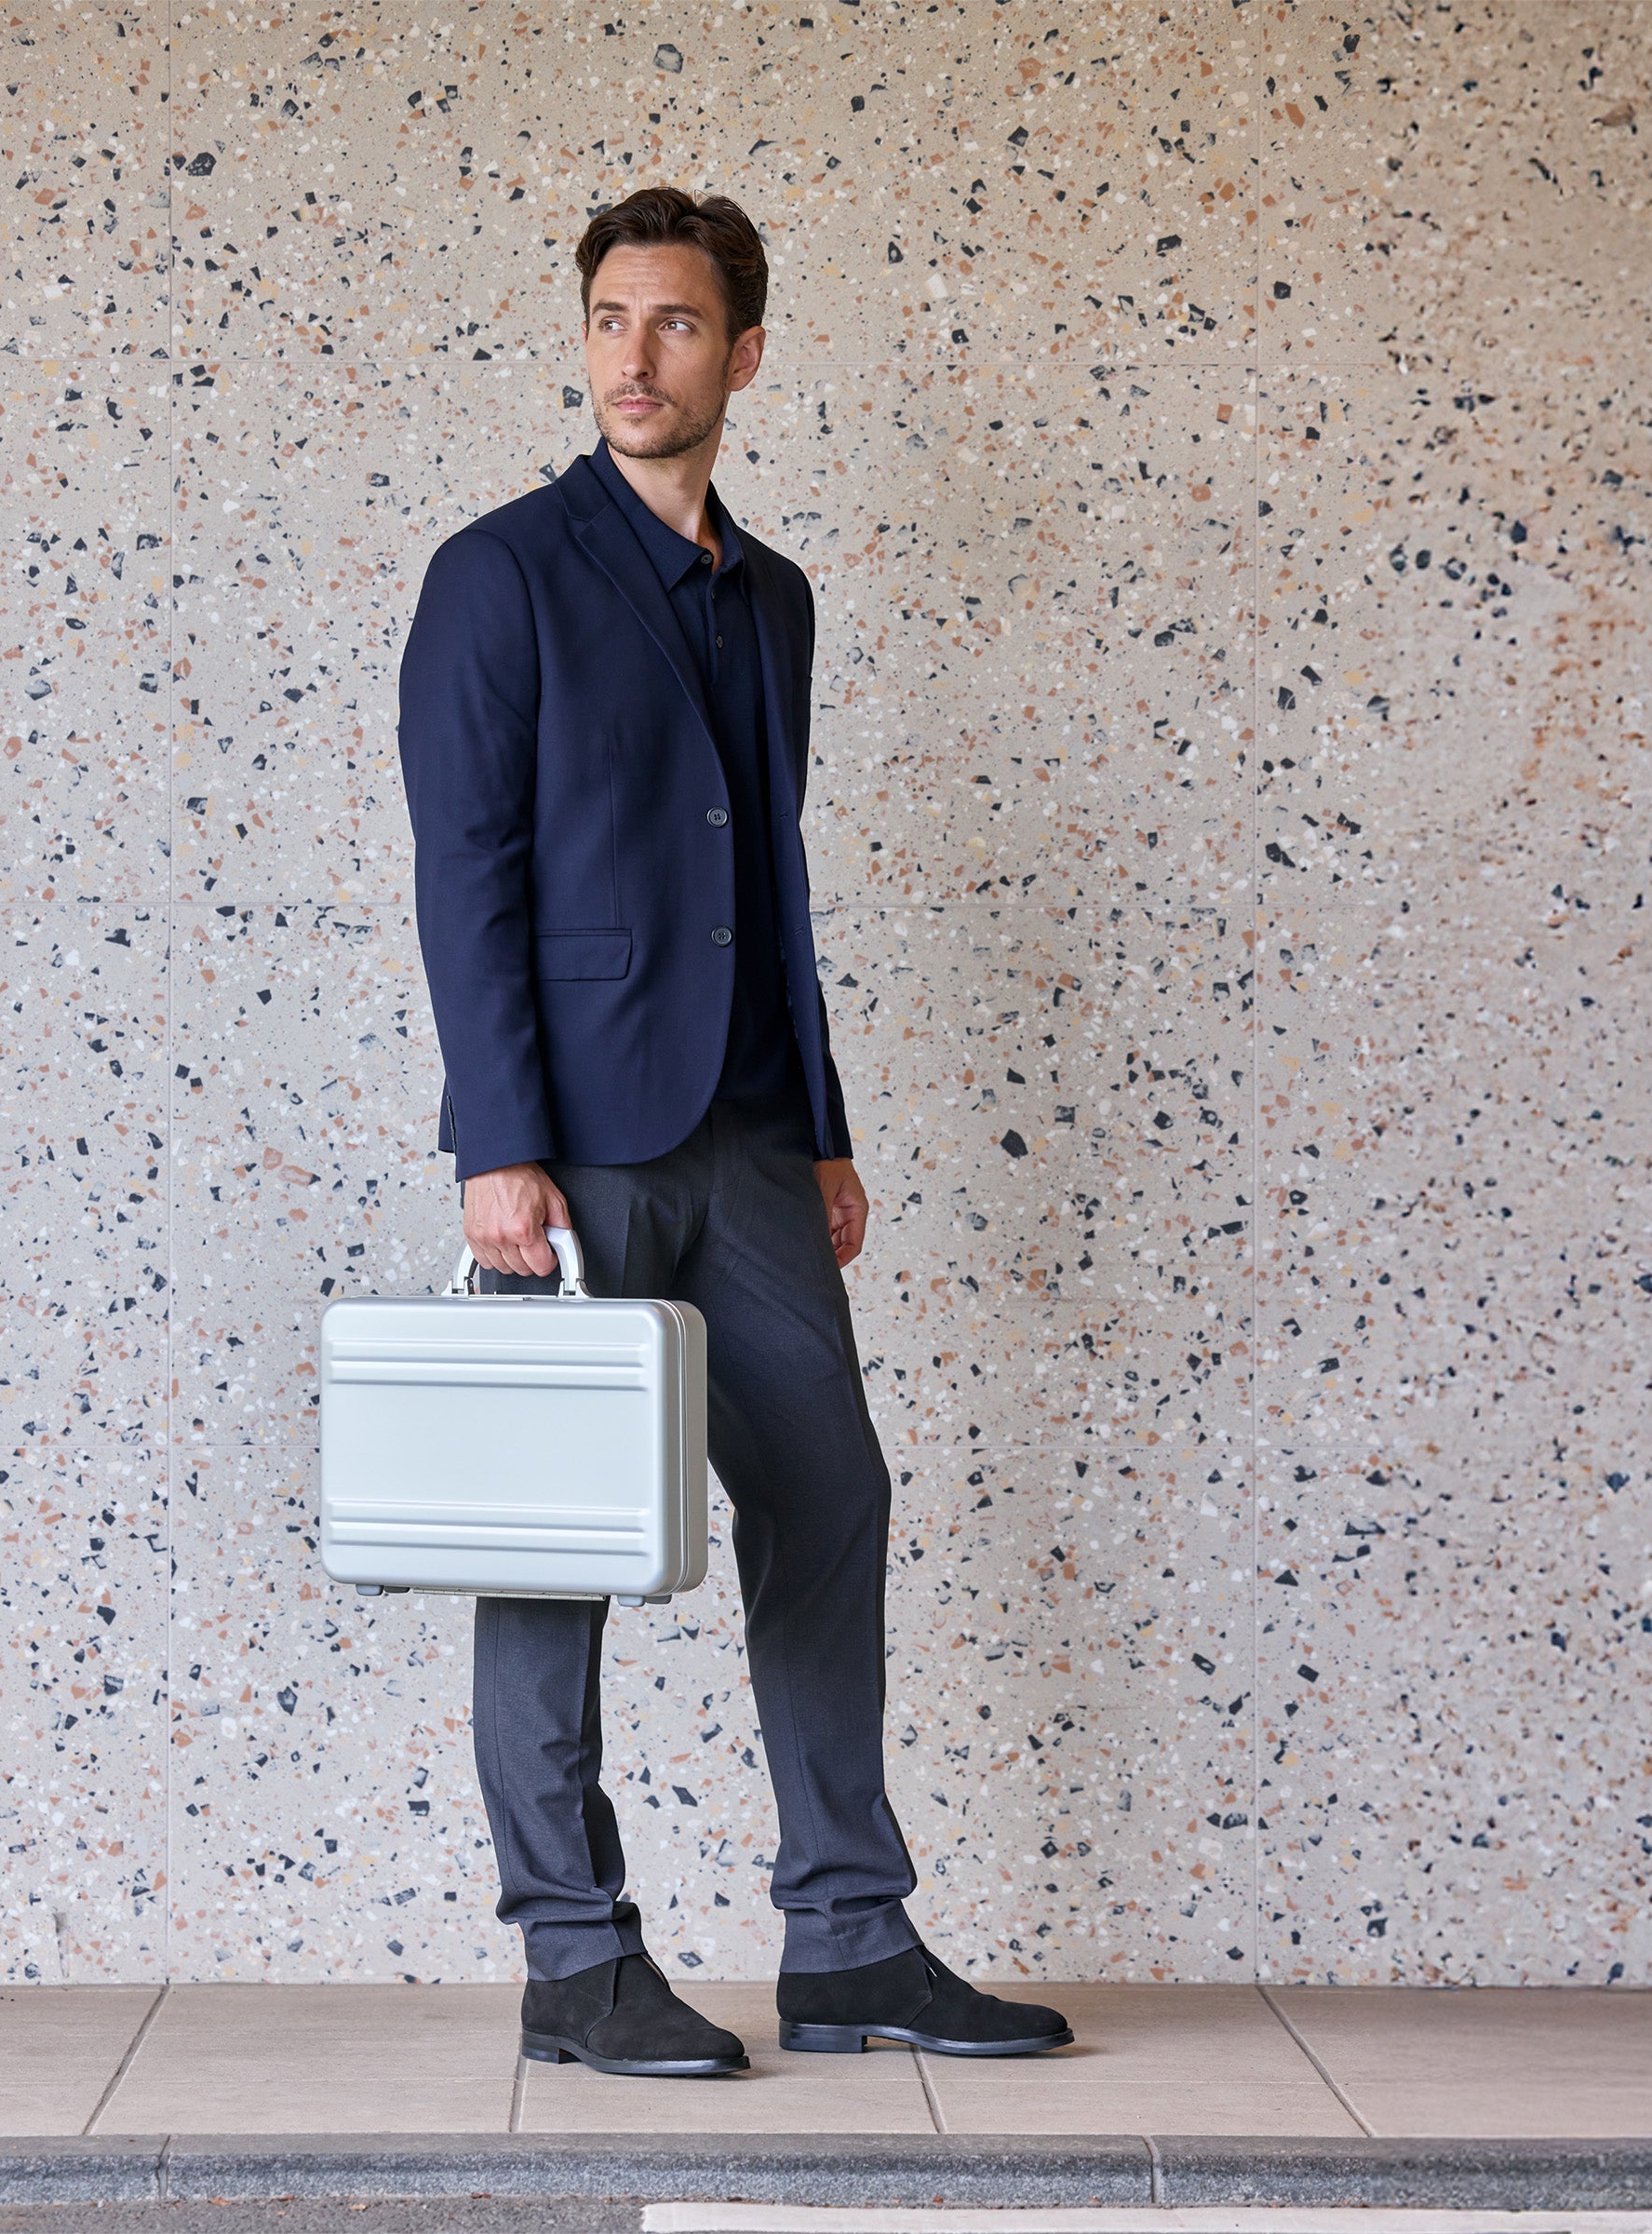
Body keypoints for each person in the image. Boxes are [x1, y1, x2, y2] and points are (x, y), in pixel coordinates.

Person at [396, 186, 1071, 2079]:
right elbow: (470, 878)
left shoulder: (771, 598)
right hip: (577, 1142)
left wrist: (829, 1128)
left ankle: (850, 1942)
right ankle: (574, 1957)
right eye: (611, 318)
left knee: (830, 1495)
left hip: (753, 1135)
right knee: (550, 1541)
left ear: (743, 354)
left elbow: (764, 877)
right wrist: (495, 1141)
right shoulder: (499, 575)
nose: (635, 356)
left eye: (677, 325)